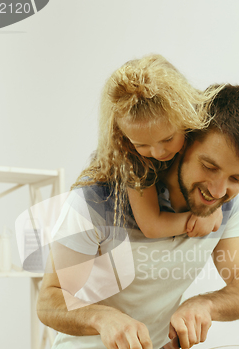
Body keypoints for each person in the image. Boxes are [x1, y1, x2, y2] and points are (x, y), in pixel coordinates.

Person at [37, 83, 239, 349]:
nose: (218, 191)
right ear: (183, 142)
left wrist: (205, 305)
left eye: (237, 179)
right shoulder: (97, 200)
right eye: (209, 166)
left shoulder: (226, 207)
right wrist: (102, 318)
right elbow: (49, 299)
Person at [72, 55, 223, 239]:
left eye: (168, 139)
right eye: (141, 144)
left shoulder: (197, 140)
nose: (158, 153)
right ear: (126, 138)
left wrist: (214, 206)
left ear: (185, 120)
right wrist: (199, 218)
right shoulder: (131, 158)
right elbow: (152, 225)